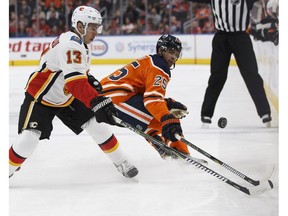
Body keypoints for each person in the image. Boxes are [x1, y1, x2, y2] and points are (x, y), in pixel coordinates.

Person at [9, 6, 138, 179]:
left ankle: (121, 161)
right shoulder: (71, 45)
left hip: (67, 95)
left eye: (97, 27)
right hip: (41, 97)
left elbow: (77, 75)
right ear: (80, 25)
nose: (96, 32)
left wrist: (89, 79)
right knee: (29, 139)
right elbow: (76, 84)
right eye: (93, 27)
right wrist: (97, 101)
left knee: (96, 125)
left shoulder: (81, 44)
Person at [98, 34, 191, 159]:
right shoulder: (159, 66)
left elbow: (146, 97)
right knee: (166, 120)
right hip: (115, 99)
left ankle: (162, 146)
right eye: (171, 52)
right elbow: (152, 99)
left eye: (176, 54)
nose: (174, 57)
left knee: (152, 117)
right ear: (161, 50)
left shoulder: (150, 61)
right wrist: (166, 116)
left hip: (108, 97)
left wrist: (167, 103)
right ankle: (182, 155)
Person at [189, 0, 272, 127]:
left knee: (251, 75)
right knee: (217, 77)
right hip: (221, 39)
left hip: (241, 38)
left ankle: (265, 113)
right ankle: (206, 114)